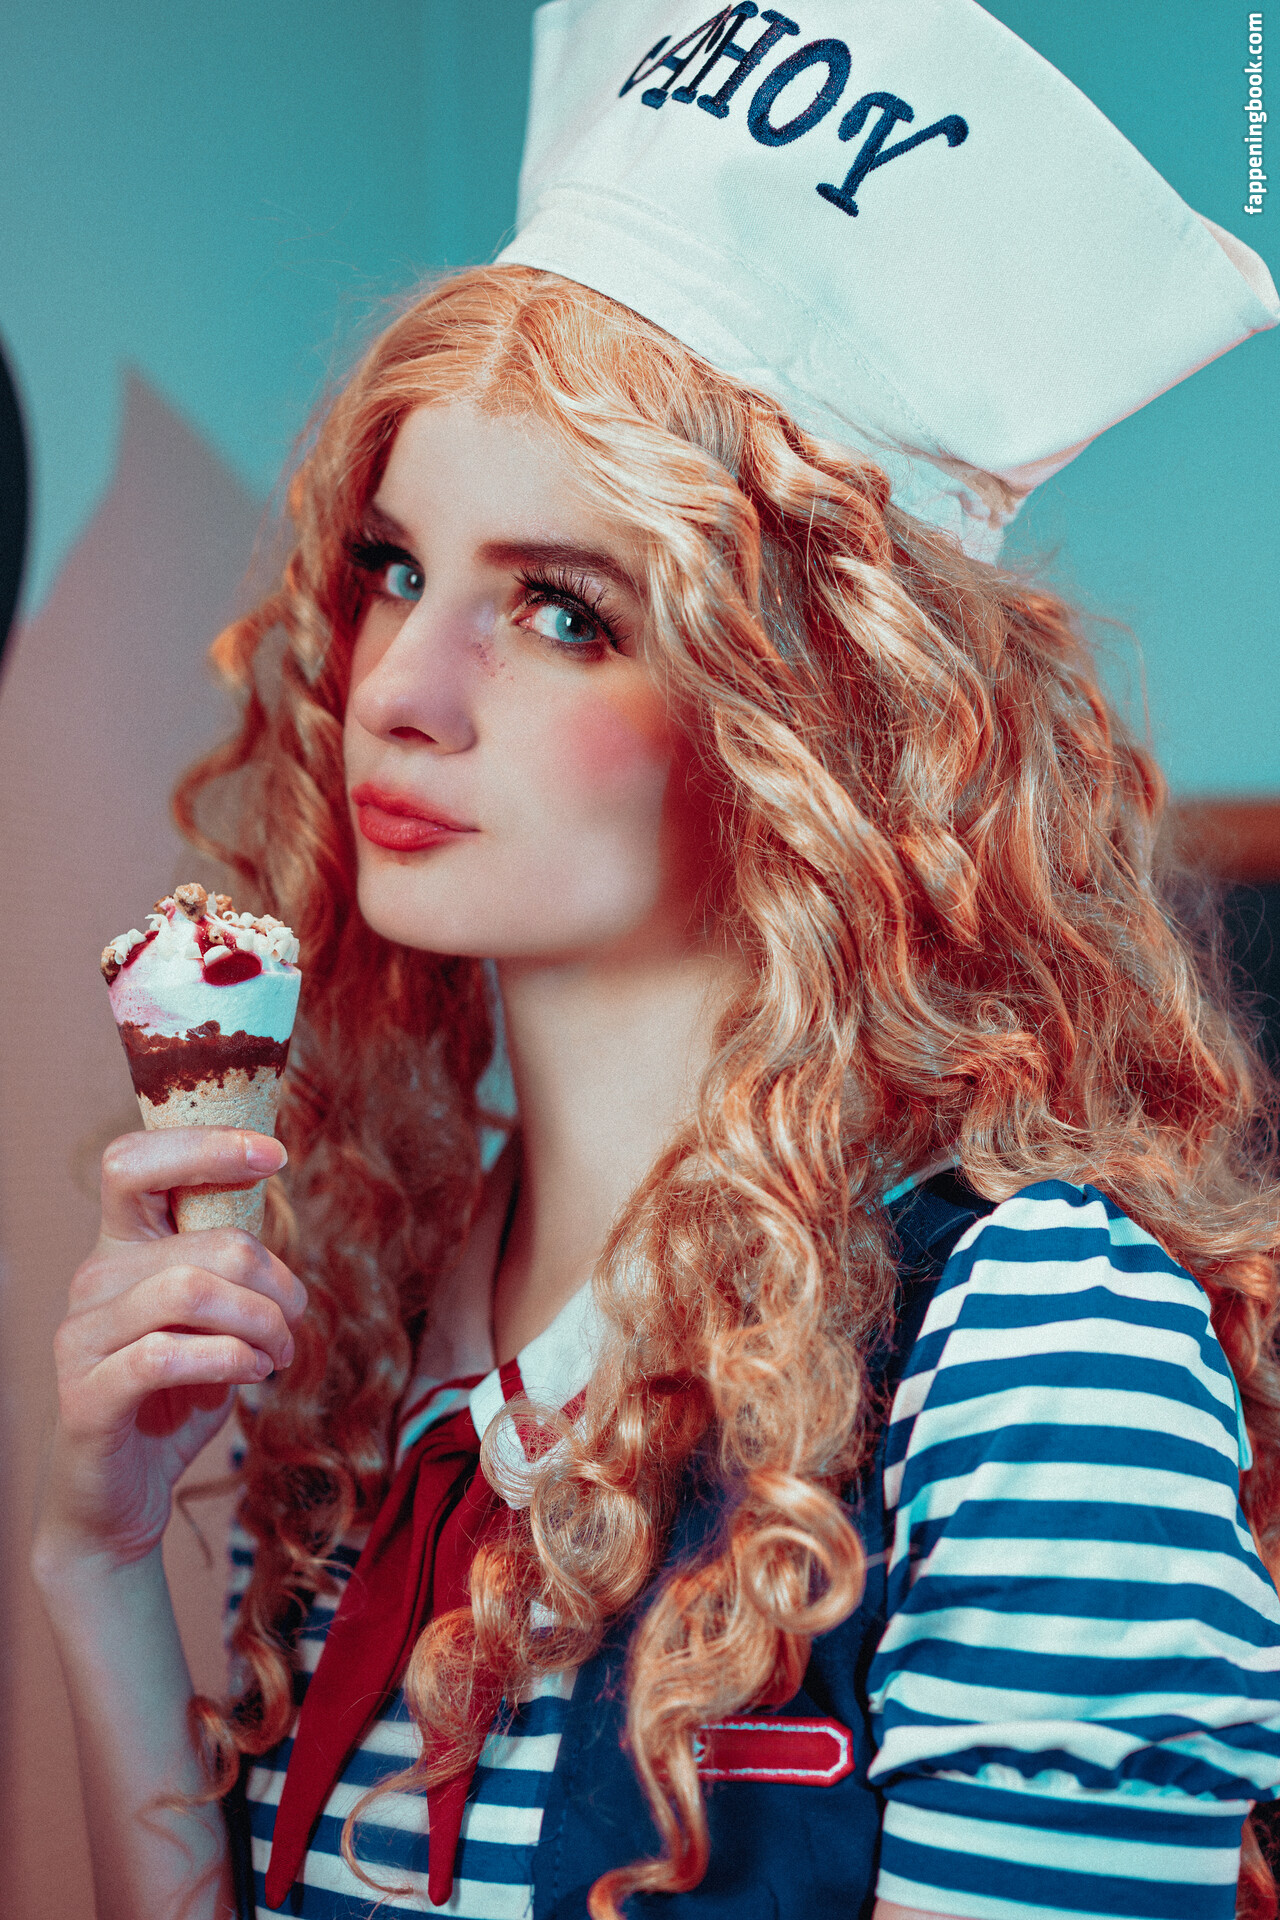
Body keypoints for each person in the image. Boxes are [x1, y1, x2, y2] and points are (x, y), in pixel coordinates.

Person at [31, 4, 1280, 1919]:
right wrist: (101, 1562)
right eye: (393, 569)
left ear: (821, 719)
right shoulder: (367, 1328)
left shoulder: (1035, 1350)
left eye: (564, 610)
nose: (404, 687)